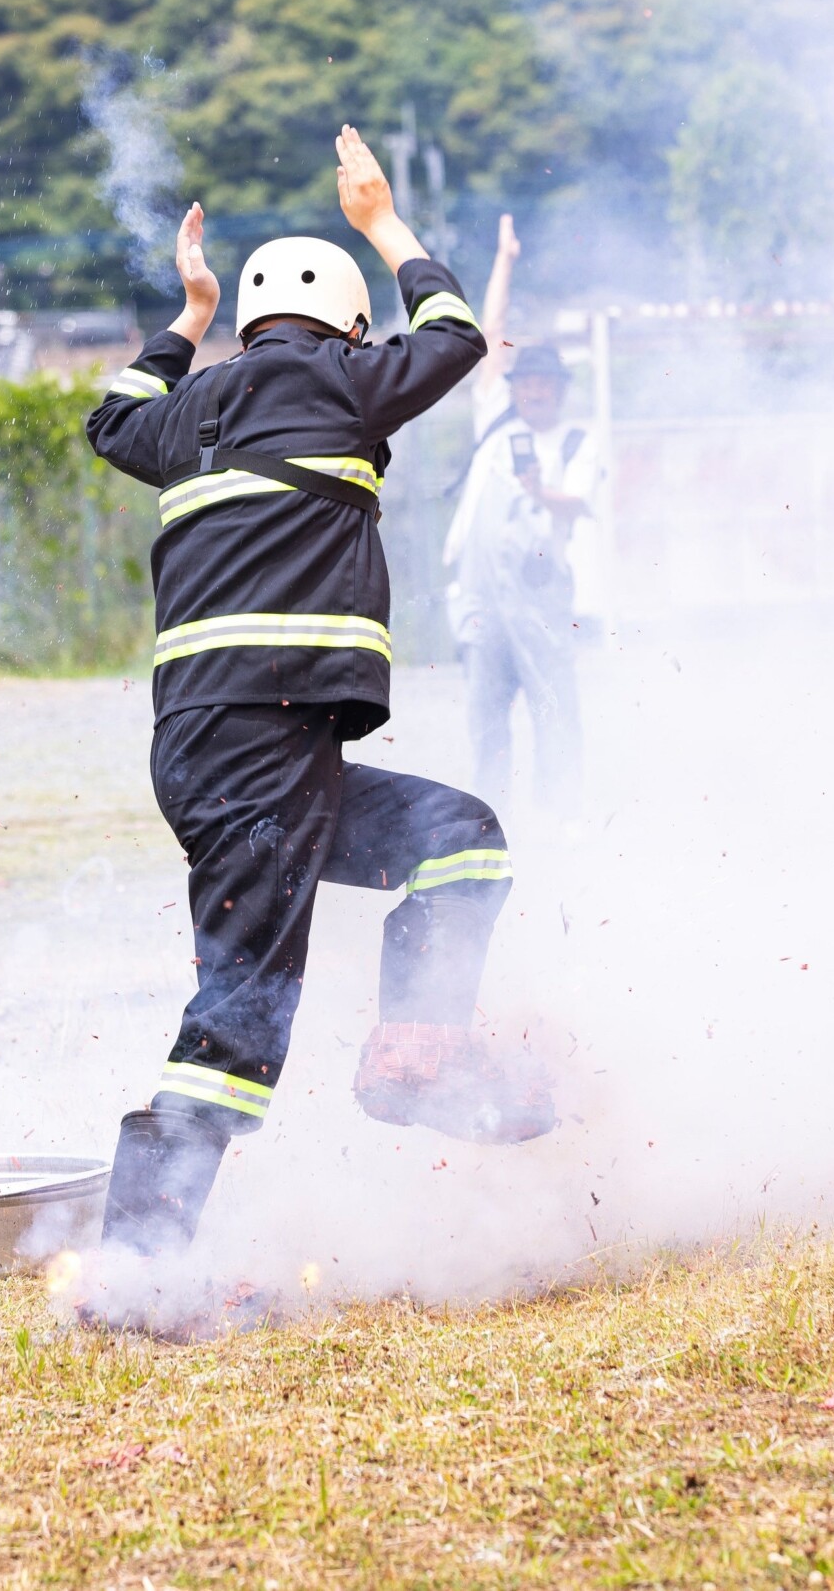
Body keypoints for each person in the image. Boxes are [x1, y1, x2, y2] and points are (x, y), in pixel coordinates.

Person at [80, 127, 559, 1297]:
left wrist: (185, 314)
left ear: (246, 329)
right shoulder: (339, 381)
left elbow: (108, 418)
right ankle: (135, 1268)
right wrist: (383, 223)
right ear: (349, 331)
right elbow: (454, 336)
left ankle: (416, 1051)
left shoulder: (187, 414)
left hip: (233, 752)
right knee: (240, 1019)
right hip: (261, 747)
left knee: (457, 840)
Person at [442, 213, 604, 819]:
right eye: (525, 383)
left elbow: (579, 504)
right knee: (486, 721)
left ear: (560, 391)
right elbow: (491, 333)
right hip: (484, 600)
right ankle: (490, 823)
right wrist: (504, 259)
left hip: (540, 601)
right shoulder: (494, 423)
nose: (534, 392)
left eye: (544, 385)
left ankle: (561, 818)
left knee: (555, 713)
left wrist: (541, 492)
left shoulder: (575, 443)